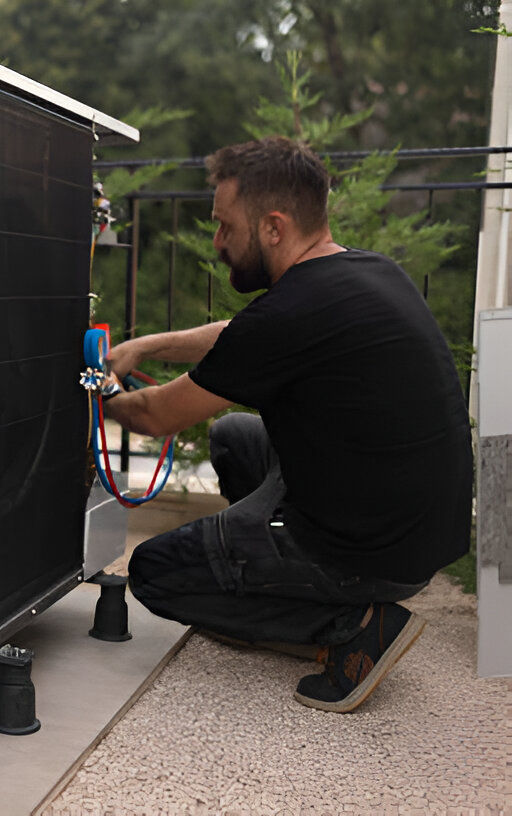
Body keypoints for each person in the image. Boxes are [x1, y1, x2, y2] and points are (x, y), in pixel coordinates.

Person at [101, 136, 473, 713]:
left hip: (368, 551)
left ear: (273, 227)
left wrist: (98, 392)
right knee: (233, 435)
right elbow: (239, 333)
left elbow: (153, 416)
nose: (218, 241)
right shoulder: (363, 271)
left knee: (154, 572)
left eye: (225, 226)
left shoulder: (293, 312)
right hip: (409, 527)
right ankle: (278, 575)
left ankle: (353, 624)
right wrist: (147, 345)